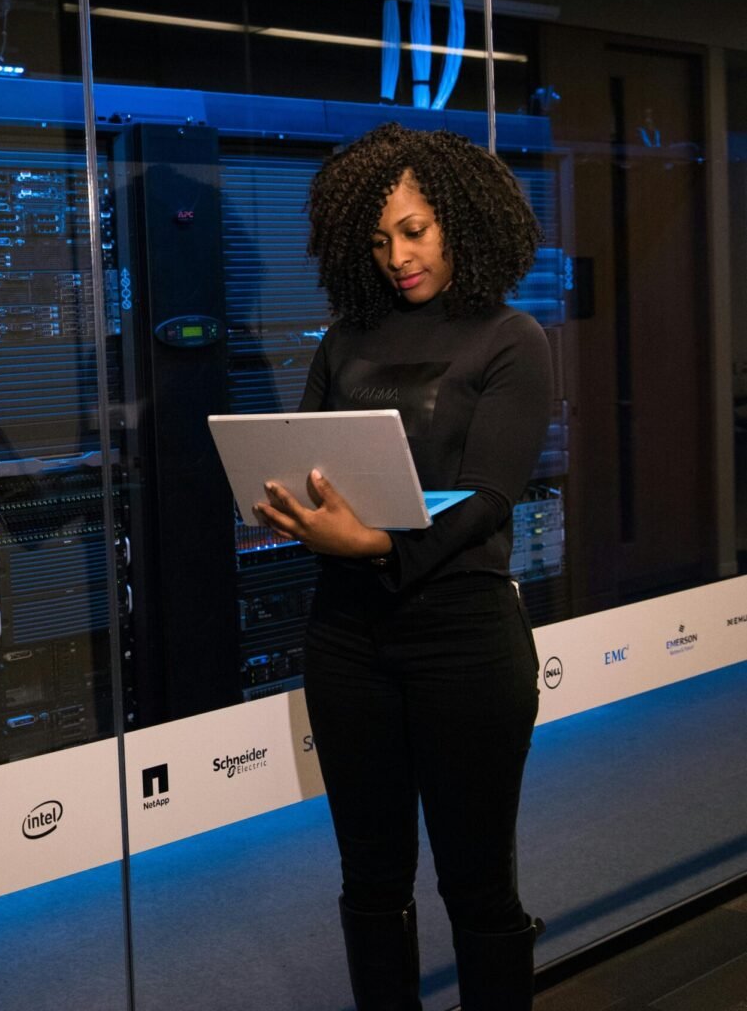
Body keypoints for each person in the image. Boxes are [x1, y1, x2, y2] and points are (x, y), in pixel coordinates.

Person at [253, 123, 552, 1010]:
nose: (397, 256)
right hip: (347, 639)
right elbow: (296, 454)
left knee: (476, 885)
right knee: (370, 883)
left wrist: (377, 543)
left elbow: (489, 495)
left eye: (414, 231)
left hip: (464, 638)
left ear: (459, 221)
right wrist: (292, 508)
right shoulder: (344, 338)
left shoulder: (510, 338)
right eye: (379, 239)